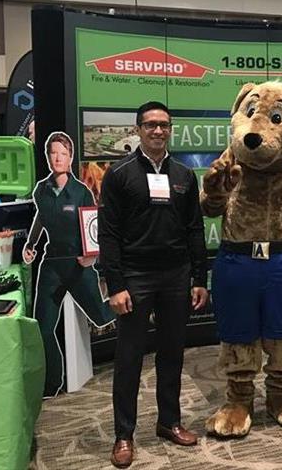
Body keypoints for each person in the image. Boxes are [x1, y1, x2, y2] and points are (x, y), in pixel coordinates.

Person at [98, 101, 209, 469]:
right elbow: (109, 234)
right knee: (129, 358)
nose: (158, 131)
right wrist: (115, 284)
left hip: (176, 277)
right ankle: (124, 435)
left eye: (164, 125)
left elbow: (194, 229)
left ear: (170, 128)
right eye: (150, 125)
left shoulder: (183, 175)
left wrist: (199, 278)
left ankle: (169, 422)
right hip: (135, 277)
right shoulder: (119, 174)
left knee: (172, 355)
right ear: (138, 129)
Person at [23, 132, 114, 398]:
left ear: (71, 157)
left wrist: (92, 256)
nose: (57, 158)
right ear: (48, 157)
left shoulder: (81, 192)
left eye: (62, 153)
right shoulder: (41, 189)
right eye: (53, 153)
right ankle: (53, 383)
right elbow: (41, 217)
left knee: (100, 317)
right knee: (43, 326)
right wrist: (31, 244)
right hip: (51, 265)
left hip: (78, 265)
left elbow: (92, 224)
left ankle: (132, 300)